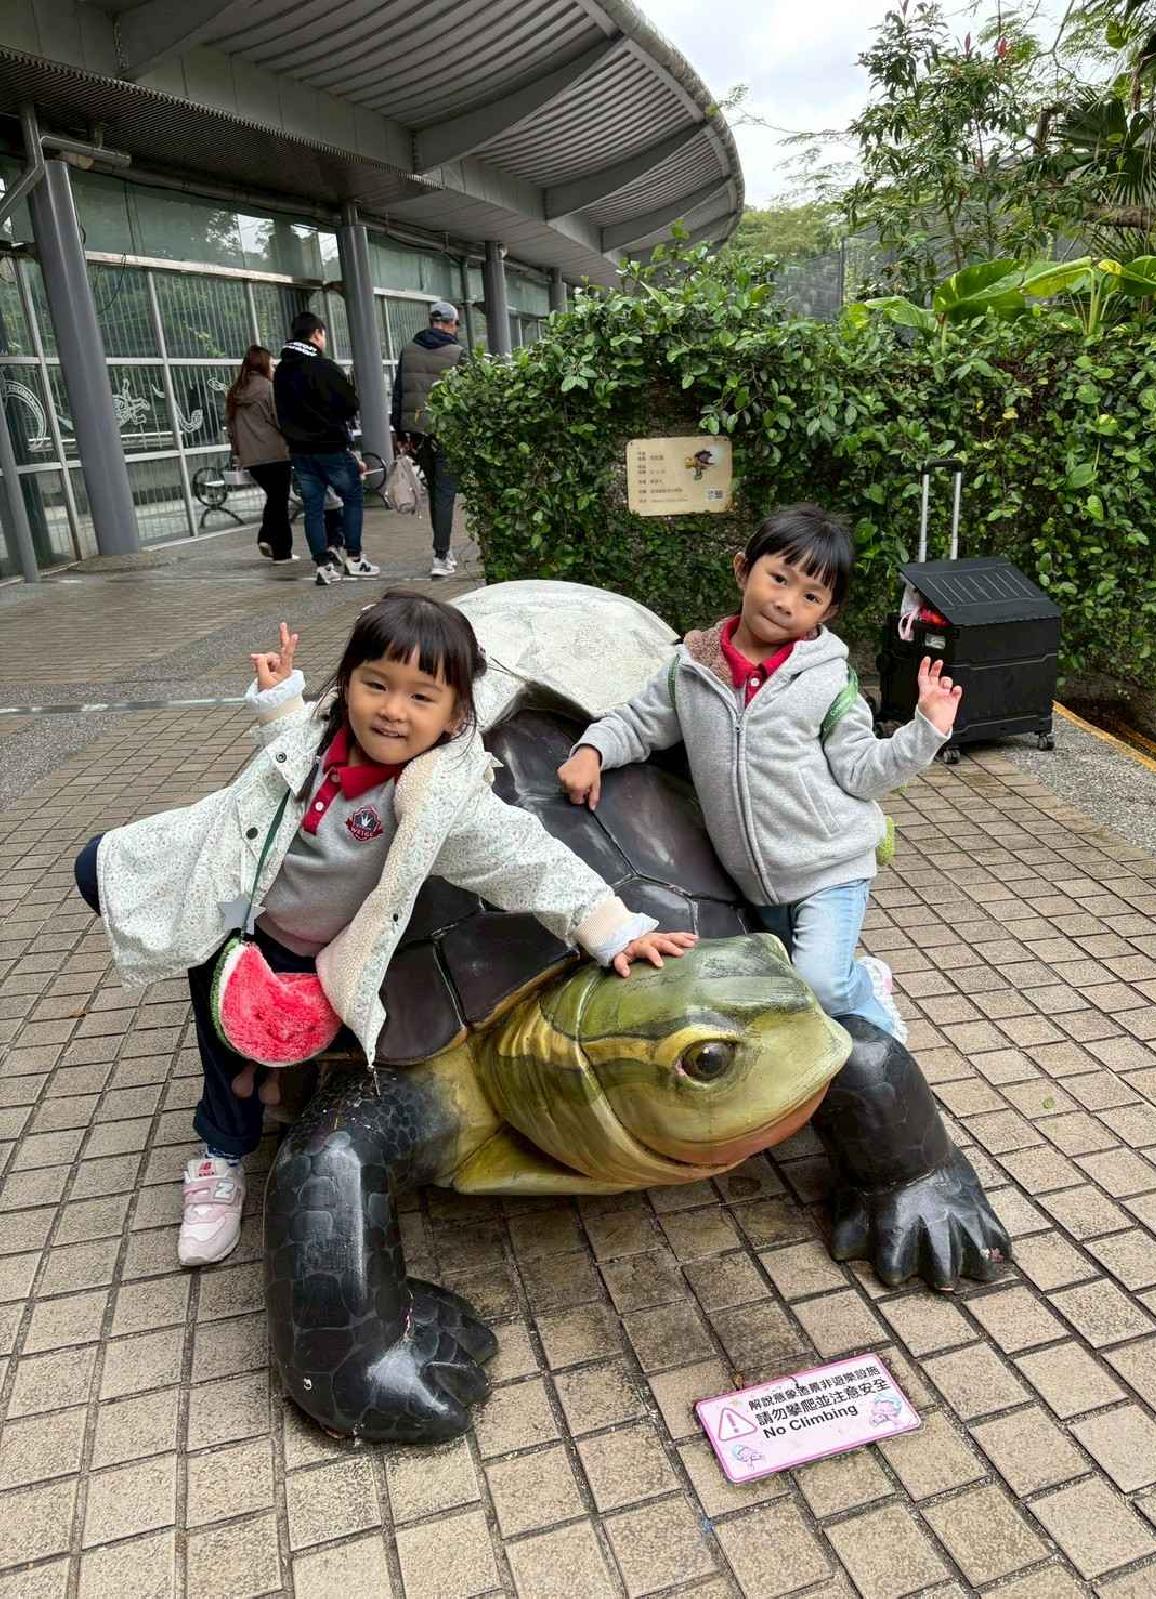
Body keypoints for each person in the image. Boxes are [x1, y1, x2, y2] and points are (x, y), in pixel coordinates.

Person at [73, 592, 695, 1267]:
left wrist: (613, 928)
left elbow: (527, 859)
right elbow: (283, 757)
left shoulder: (438, 800)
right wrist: (279, 701)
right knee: (106, 875)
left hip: (303, 945)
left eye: (420, 696)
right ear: (347, 684)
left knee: (246, 1039)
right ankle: (256, 1072)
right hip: (230, 900)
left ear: (456, 714)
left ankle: (222, 1152)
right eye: (376, 685)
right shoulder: (320, 737)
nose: (393, 710)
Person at [557, 504, 963, 1045]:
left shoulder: (828, 681)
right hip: (754, 881)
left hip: (830, 866)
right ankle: (844, 988)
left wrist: (925, 731)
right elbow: (639, 722)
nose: (787, 602)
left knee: (820, 983)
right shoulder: (691, 669)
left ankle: (871, 999)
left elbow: (863, 771)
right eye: (779, 578)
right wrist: (593, 750)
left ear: (828, 611)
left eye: (811, 597)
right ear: (743, 569)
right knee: (786, 980)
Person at [274, 310, 379, 587]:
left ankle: (323, 565)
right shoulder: (323, 367)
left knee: (313, 507)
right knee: (353, 495)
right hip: (330, 446)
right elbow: (350, 404)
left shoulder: (282, 370)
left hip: (300, 450)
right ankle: (354, 557)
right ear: (317, 334)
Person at [391, 300, 463, 579]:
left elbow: (399, 394)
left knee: (435, 491)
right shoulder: (457, 353)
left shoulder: (408, 350)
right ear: (449, 324)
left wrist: (400, 433)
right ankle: (441, 555)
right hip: (447, 434)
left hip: (418, 435)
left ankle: (443, 550)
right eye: (456, 324)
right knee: (444, 494)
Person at [224, 346, 294, 565]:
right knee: (279, 501)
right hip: (276, 454)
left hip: (251, 459)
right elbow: (281, 420)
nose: (273, 369)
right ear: (263, 364)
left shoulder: (235, 393)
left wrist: (237, 454)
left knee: (274, 498)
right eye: (271, 364)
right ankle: (280, 551)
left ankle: (268, 538)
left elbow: (231, 430)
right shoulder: (268, 388)